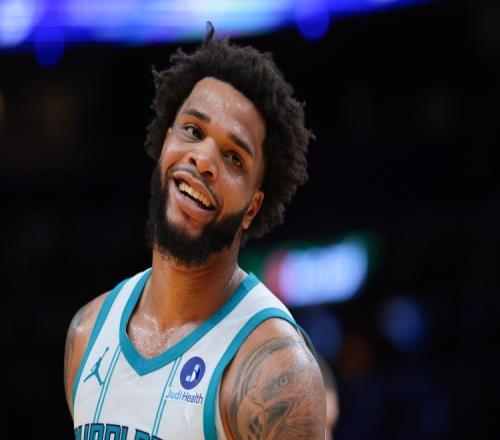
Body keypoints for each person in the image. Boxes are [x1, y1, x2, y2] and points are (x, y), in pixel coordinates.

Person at [64, 24, 325, 440]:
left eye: (233, 157)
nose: (203, 160)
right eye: (193, 131)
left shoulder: (275, 372)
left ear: (252, 207)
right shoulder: (87, 334)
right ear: (166, 142)